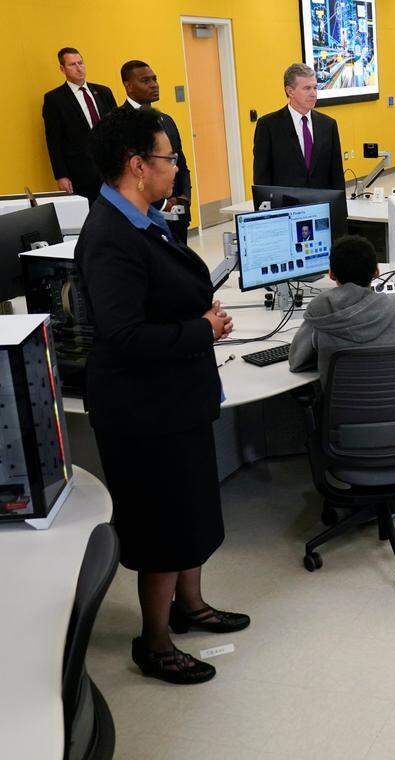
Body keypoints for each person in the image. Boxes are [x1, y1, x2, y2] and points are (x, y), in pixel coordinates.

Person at [76, 106, 248, 685]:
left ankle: (191, 606)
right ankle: (154, 642)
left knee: (193, 509)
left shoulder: (147, 218)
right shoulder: (110, 235)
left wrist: (200, 317)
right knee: (163, 526)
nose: (176, 167)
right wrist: (202, 330)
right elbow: (123, 335)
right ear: (136, 165)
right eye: (168, 157)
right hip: (143, 408)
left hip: (178, 395)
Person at [289, 235, 395, 382]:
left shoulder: (321, 315)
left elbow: (296, 362)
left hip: (342, 404)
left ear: (331, 274)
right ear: (376, 271)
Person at [120, 60, 192, 244]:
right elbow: (127, 176)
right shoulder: (120, 123)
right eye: (145, 81)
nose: (154, 85)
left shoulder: (166, 120)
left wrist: (184, 198)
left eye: (155, 79)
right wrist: (162, 205)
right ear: (128, 86)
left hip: (177, 213)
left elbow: (181, 164)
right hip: (145, 217)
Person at [42, 47, 118, 203]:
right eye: (72, 65)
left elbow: (117, 129)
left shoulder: (103, 92)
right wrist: (61, 176)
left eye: (80, 63)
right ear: (62, 69)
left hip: (111, 169)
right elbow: (53, 141)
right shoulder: (54, 99)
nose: (79, 68)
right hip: (81, 173)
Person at [253, 63, 345, 189]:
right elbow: (262, 175)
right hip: (286, 205)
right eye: (307, 88)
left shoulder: (328, 125)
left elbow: (337, 173)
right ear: (290, 91)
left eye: (315, 88)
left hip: (321, 204)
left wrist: (338, 207)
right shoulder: (268, 126)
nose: (313, 93)